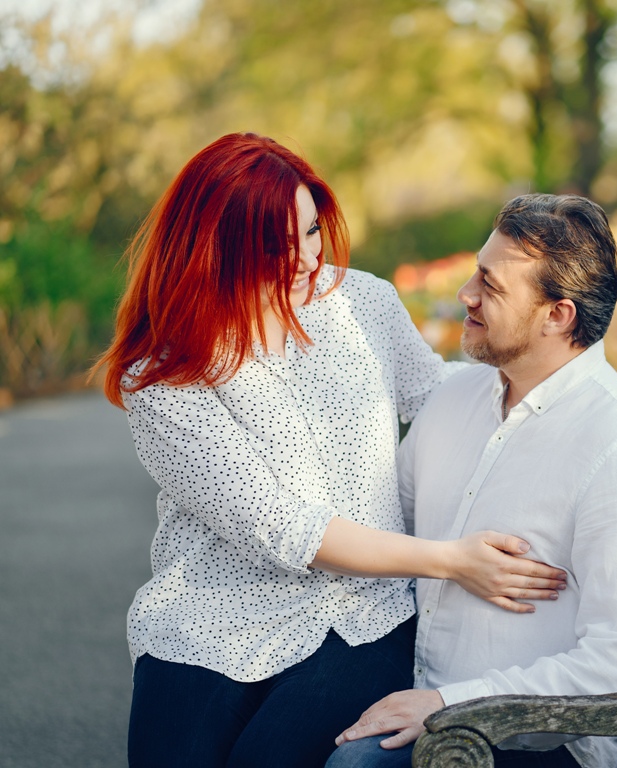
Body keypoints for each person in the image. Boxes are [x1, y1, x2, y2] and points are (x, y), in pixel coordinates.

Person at [95, 133, 567, 768]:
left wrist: (555, 370)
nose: (304, 260)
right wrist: (450, 560)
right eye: (273, 246)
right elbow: (287, 529)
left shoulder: (363, 300)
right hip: (207, 621)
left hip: (359, 616)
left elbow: (435, 395)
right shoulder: (165, 375)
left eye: (311, 232)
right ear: (214, 248)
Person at [326, 194, 617, 768]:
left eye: (490, 286)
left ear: (557, 315)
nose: (464, 295)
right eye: (474, 273)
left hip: (535, 739)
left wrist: (449, 704)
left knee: (356, 765)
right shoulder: (456, 396)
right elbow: (391, 526)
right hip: (410, 678)